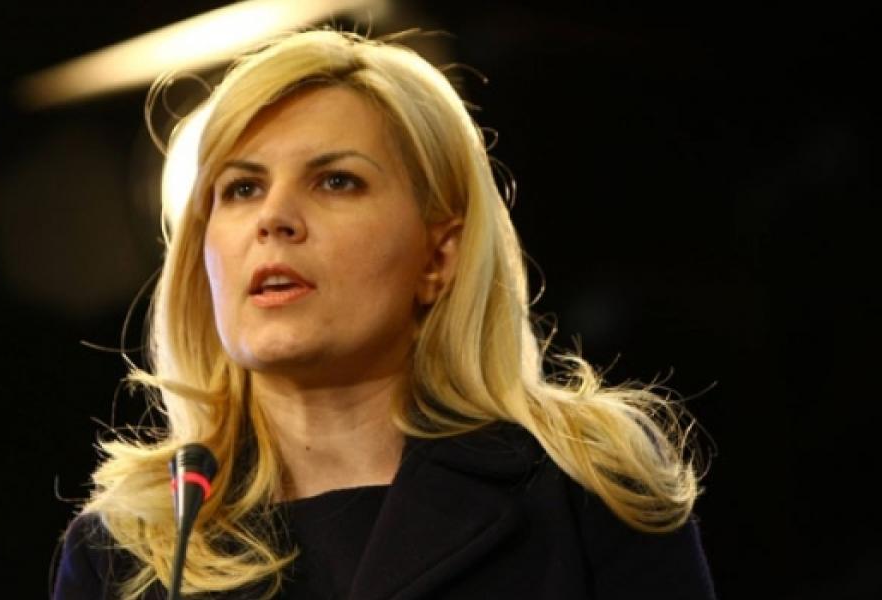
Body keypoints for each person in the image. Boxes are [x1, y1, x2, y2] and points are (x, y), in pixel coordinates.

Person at [52, 28, 716, 600]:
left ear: (439, 255)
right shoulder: (128, 553)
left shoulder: (588, 483)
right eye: (242, 188)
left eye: (336, 181)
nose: (273, 218)